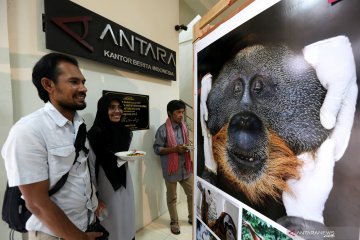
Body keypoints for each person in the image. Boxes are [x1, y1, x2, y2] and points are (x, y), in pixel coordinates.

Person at [1, 53, 103, 240]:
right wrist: (80, 238)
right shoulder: (28, 131)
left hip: (85, 223)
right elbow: (36, 203)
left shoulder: (78, 124)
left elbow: (80, 172)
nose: (83, 88)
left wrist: (94, 202)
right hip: (53, 234)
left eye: (83, 81)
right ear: (48, 85)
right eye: (74, 82)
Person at [87, 93, 135, 240]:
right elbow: (92, 167)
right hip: (106, 183)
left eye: (120, 107)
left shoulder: (125, 131)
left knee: (127, 215)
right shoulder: (95, 134)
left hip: (125, 180)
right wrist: (94, 197)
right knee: (112, 220)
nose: (117, 111)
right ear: (103, 109)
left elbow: (120, 157)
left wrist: (129, 155)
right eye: (112, 107)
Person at [153, 100, 193, 235]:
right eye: (178, 112)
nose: (181, 115)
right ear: (170, 113)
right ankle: (174, 222)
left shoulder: (184, 126)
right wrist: (175, 149)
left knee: (192, 193)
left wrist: (187, 148)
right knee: (172, 198)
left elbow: (185, 143)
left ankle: (192, 217)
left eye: (182, 112)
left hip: (185, 167)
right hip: (171, 169)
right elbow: (157, 149)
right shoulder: (162, 130)